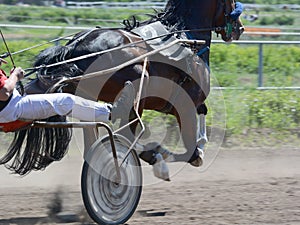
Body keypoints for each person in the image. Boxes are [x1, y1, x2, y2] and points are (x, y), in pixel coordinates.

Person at [0, 58, 135, 124]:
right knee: (65, 101)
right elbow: (4, 93)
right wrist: (15, 76)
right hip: (10, 108)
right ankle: (114, 111)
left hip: (7, 107)